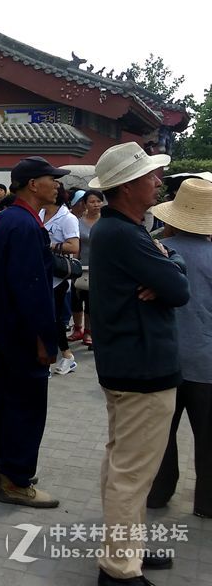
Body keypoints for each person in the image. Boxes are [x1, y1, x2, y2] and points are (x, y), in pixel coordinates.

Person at [88, 142, 189, 585]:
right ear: (127, 187)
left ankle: (126, 548)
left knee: (122, 463)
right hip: (142, 368)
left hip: (127, 364)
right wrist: (166, 273)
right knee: (132, 471)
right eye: (150, 176)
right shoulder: (126, 235)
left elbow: (171, 275)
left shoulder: (123, 230)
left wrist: (168, 268)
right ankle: (119, 569)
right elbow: (178, 289)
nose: (158, 182)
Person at [0, 156, 68, 508]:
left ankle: (6, 468)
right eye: (51, 179)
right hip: (25, 333)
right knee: (27, 406)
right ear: (33, 184)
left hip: (5, 331)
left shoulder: (3, 220)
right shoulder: (27, 227)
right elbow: (33, 291)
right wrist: (45, 339)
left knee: (5, 401)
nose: (57, 184)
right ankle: (17, 480)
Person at [146, 179, 212, 520]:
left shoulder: (155, 251)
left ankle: (158, 492)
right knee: (208, 437)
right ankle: (207, 502)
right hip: (207, 362)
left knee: (160, 435)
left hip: (164, 358)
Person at [41, 184, 80, 376]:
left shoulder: (68, 218)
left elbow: (74, 247)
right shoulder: (39, 213)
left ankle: (54, 358)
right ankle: (65, 355)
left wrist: (48, 245)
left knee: (52, 320)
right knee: (46, 319)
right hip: (40, 273)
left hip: (58, 276)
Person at [71, 189, 104, 347]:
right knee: (77, 299)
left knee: (92, 303)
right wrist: (74, 265)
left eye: (98, 201)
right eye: (92, 201)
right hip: (80, 266)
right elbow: (77, 246)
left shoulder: (105, 221)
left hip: (99, 268)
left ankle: (89, 332)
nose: (96, 205)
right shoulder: (77, 222)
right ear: (85, 204)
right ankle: (77, 329)